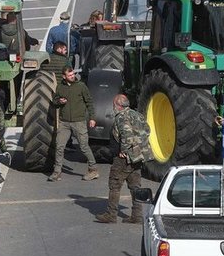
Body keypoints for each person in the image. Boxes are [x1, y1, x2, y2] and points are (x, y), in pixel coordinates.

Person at [95, 95, 150, 223]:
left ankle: (111, 214)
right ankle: (137, 216)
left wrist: (124, 150)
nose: (113, 107)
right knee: (135, 186)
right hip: (137, 157)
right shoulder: (137, 114)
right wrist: (138, 147)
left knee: (114, 184)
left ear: (118, 105)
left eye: (114, 104)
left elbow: (127, 135)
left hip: (124, 158)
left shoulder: (121, 117)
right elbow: (147, 130)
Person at [49, 67, 99, 182]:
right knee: (59, 146)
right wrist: (59, 101)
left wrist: (92, 118)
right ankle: (57, 172)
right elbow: (54, 102)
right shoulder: (60, 87)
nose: (72, 76)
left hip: (79, 122)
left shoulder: (81, 86)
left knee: (84, 147)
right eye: (70, 75)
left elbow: (89, 102)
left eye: (73, 74)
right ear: (64, 76)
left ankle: (93, 170)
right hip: (64, 122)